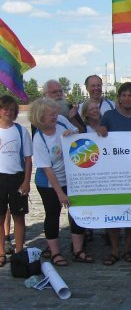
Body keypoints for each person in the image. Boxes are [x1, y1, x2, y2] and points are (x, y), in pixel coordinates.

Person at [96, 82, 131, 265]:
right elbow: (100, 137)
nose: (127, 98)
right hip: (114, 172)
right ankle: (114, 249)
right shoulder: (109, 116)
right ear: (119, 98)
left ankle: (128, 249)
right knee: (114, 212)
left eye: (130, 95)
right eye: (124, 95)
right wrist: (101, 131)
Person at [30, 98, 92, 266]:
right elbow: (47, 169)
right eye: (51, 115)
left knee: (76, 211)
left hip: (70, 177)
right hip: (49, 183)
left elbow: (79, 133)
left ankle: (78, 250)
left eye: (56, 113)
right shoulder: (39, 139)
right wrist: (60, 193)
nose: (55, 117)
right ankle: (55, 252)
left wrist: (72, 134)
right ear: (41, 117)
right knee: (53, 214)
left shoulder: (61, 123)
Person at [0, 96, 32, 265]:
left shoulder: (21, 131)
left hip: (17, 177)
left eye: (12, 110)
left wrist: (26, 181)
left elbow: (28, 159)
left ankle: (19, 250)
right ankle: (1, 252)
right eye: (5, 109)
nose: (8, 112)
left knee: (19, 215)